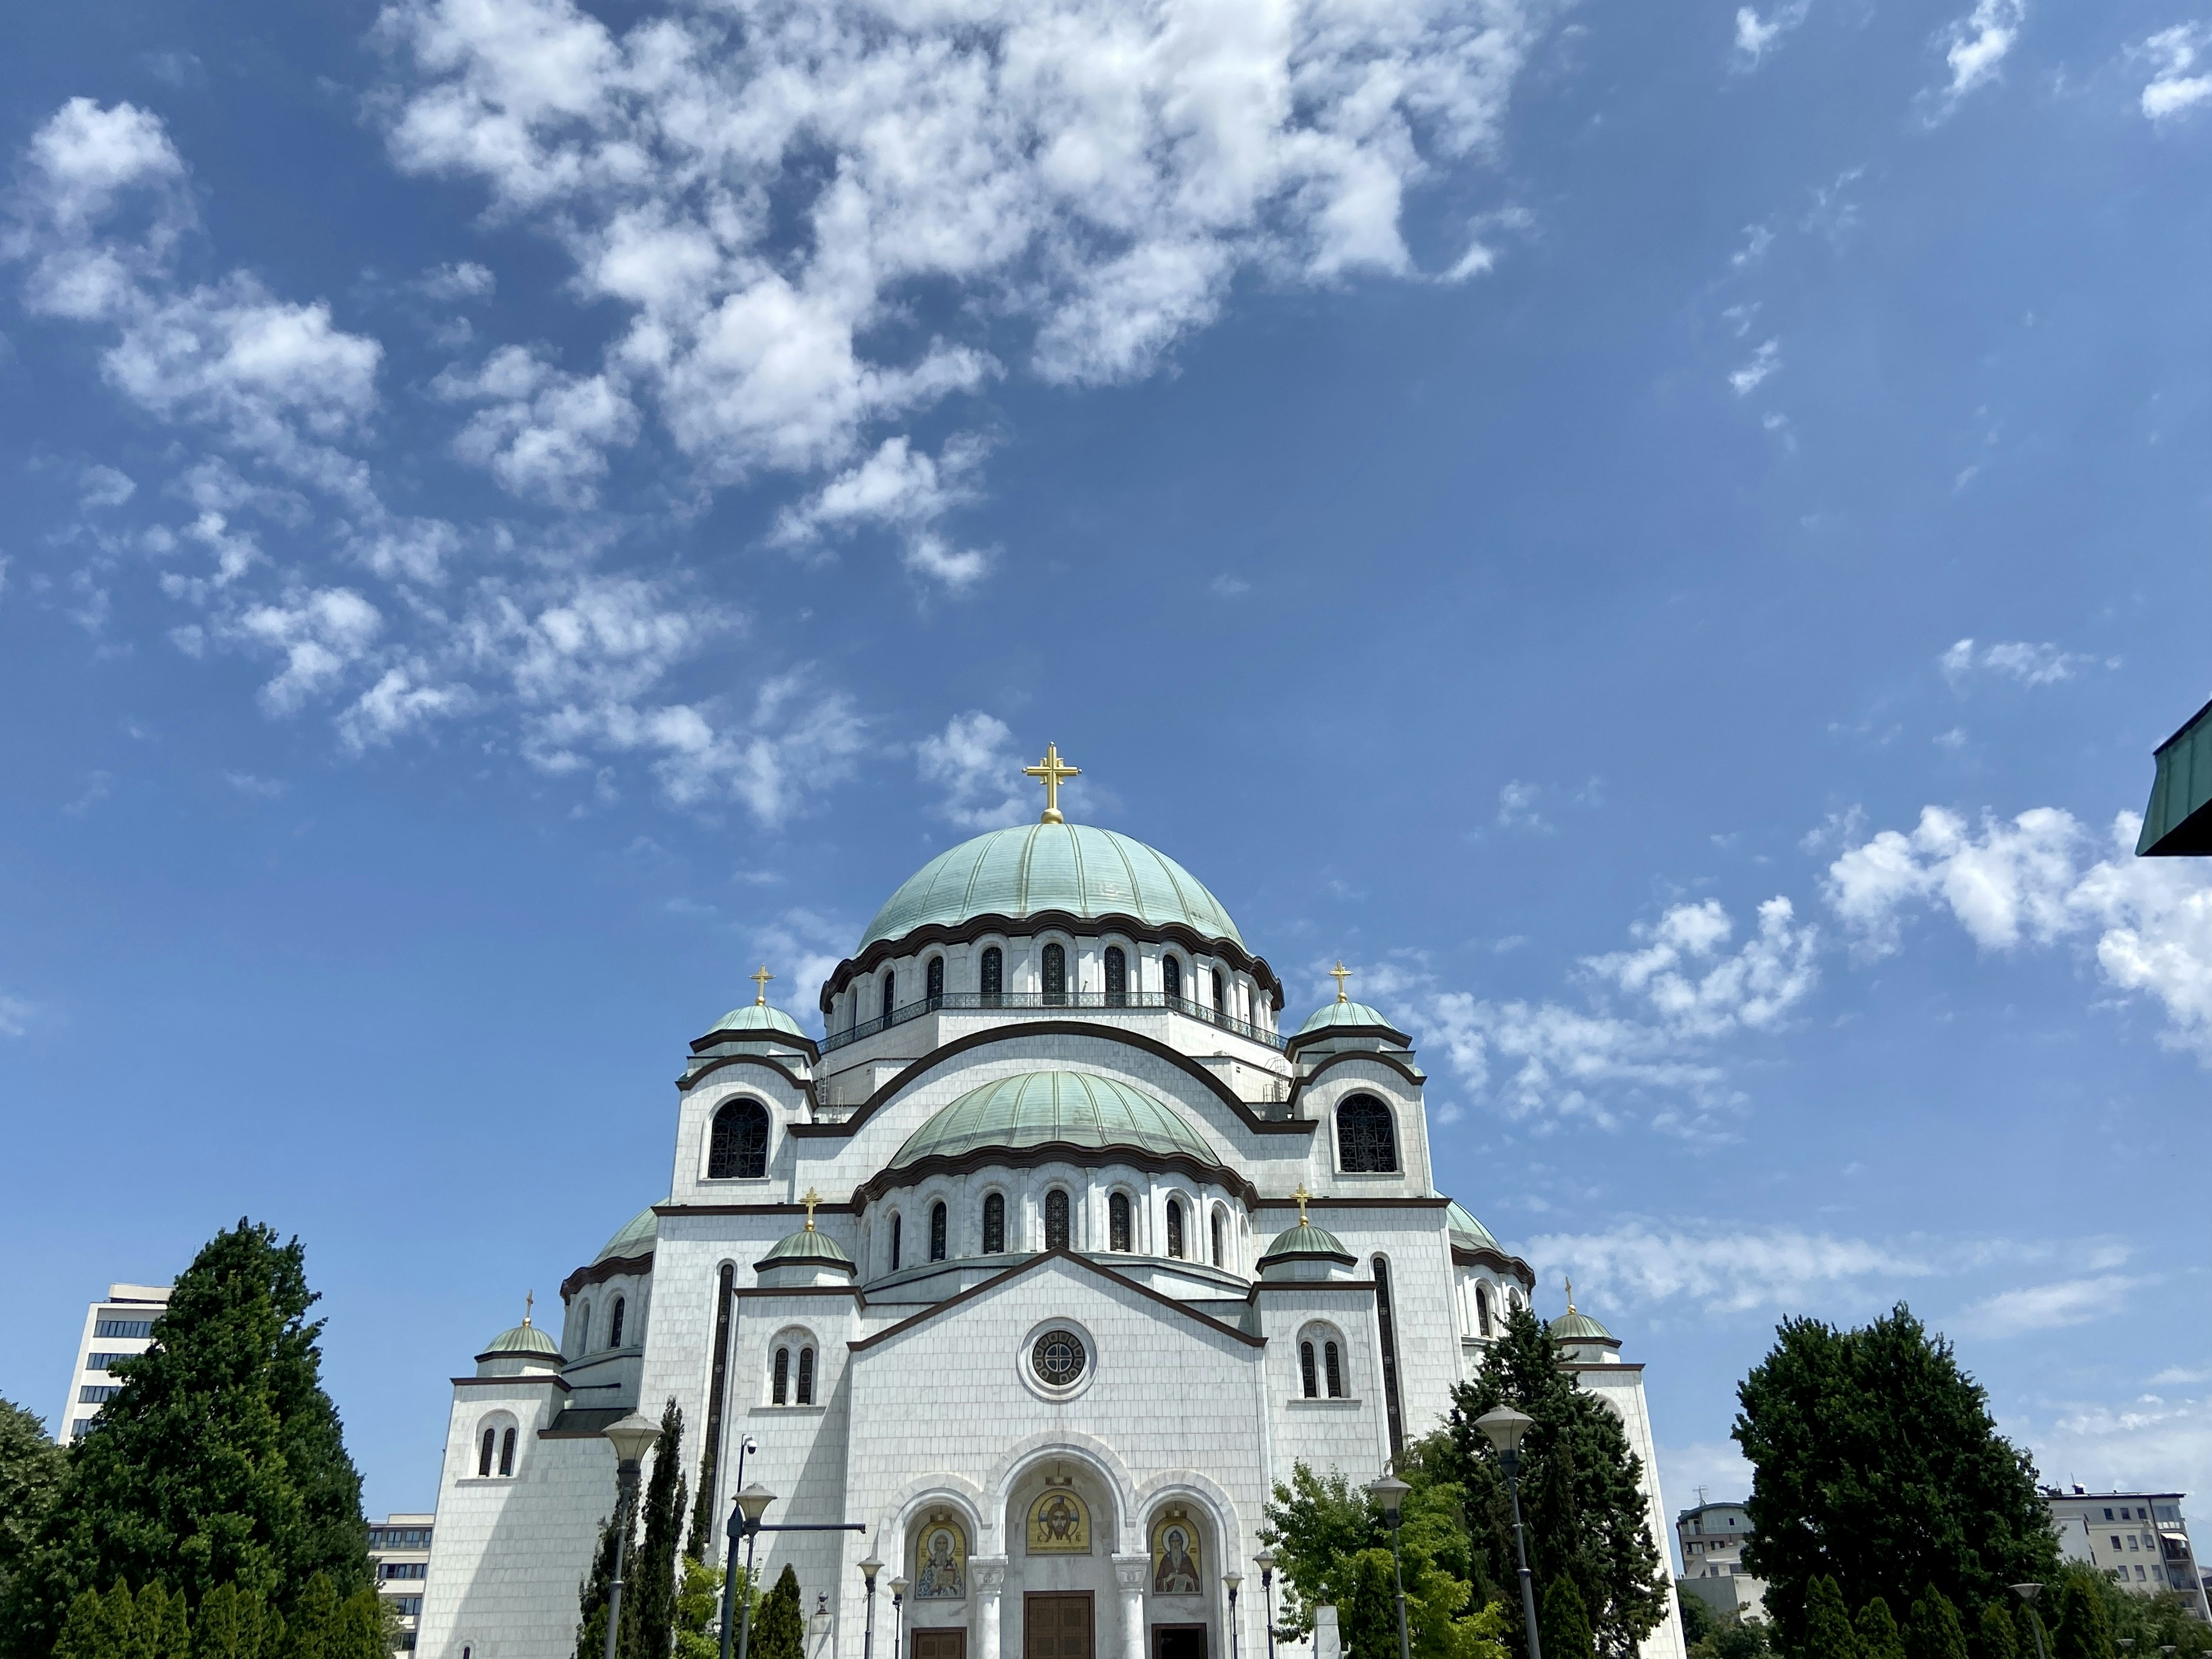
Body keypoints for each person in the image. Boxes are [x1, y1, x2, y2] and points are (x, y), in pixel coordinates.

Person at [1154, 1528, 1200, 1594]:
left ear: (1181, 1543)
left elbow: (1197, 1583)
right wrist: (1167, 1580)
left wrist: (1190, 1580)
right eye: (1173, 1541)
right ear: (1170, 1544)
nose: (1175, 1544)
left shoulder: (1186, 1559)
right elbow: (1157, 1583)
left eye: (1177, 1541)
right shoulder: (1166, 1560)